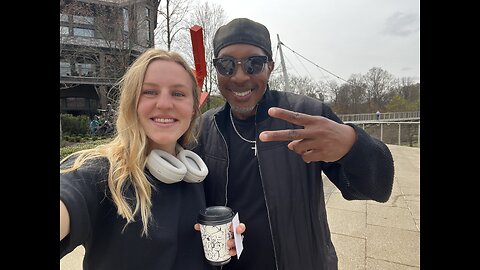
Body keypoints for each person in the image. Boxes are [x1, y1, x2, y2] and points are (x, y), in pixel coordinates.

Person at [192, 18, 394, 270]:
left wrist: (353, 145)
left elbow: (376, 189)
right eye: (227, 65)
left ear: (270, 67)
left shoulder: (308, 116)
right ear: (216, 70)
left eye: (254, 64)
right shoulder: (203, 128)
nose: (240, 76)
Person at [60, 48, 245, 270]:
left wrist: (226, 244)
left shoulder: (195, 173)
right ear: (131, 102)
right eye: (149, 92)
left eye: (178, 94)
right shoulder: (100, 173)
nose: (165, 104)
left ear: (193, 109)